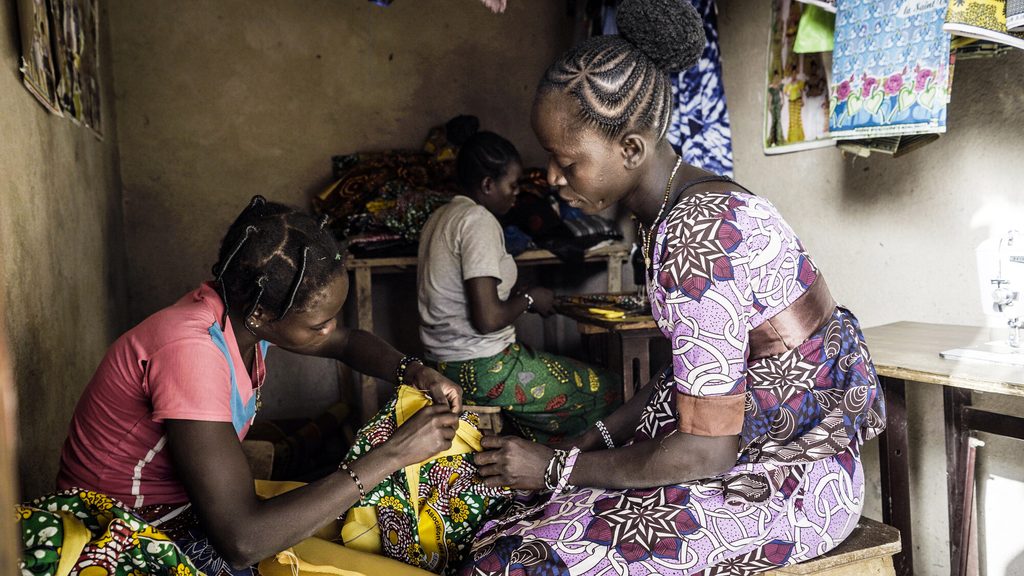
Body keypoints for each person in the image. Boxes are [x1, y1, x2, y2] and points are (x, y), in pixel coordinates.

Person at [462, 0, 886, 574]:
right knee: (518, 517)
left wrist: (556, 468)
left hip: (788, 482)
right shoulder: (681, 205)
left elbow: (705, 450)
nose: (553, 178)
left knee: (520, 558)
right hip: (747, 451)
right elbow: (693, 378)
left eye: (565, 160)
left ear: (630, 149)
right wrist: (592, 440)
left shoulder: (696, 235)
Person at [55, 196, 464, 576]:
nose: (330, 329)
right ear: (262, 314)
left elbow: (348, 343)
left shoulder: (241, 313)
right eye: (319, 323)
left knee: (357, 530)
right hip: (126, 528)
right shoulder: (190, 351)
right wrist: (393, 454)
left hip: (191, 508)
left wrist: (415, 372)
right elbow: (242, 539)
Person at [417, 130, 621, 445]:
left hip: (443, 365)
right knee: (608, 387)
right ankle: (572, 466)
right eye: (512, 185)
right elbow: (486, 319)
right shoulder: (477, 221)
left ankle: (538, 458)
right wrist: (529, 298)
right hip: (485, 369)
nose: (516, 195)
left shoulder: (441, 217)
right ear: (487, 185)